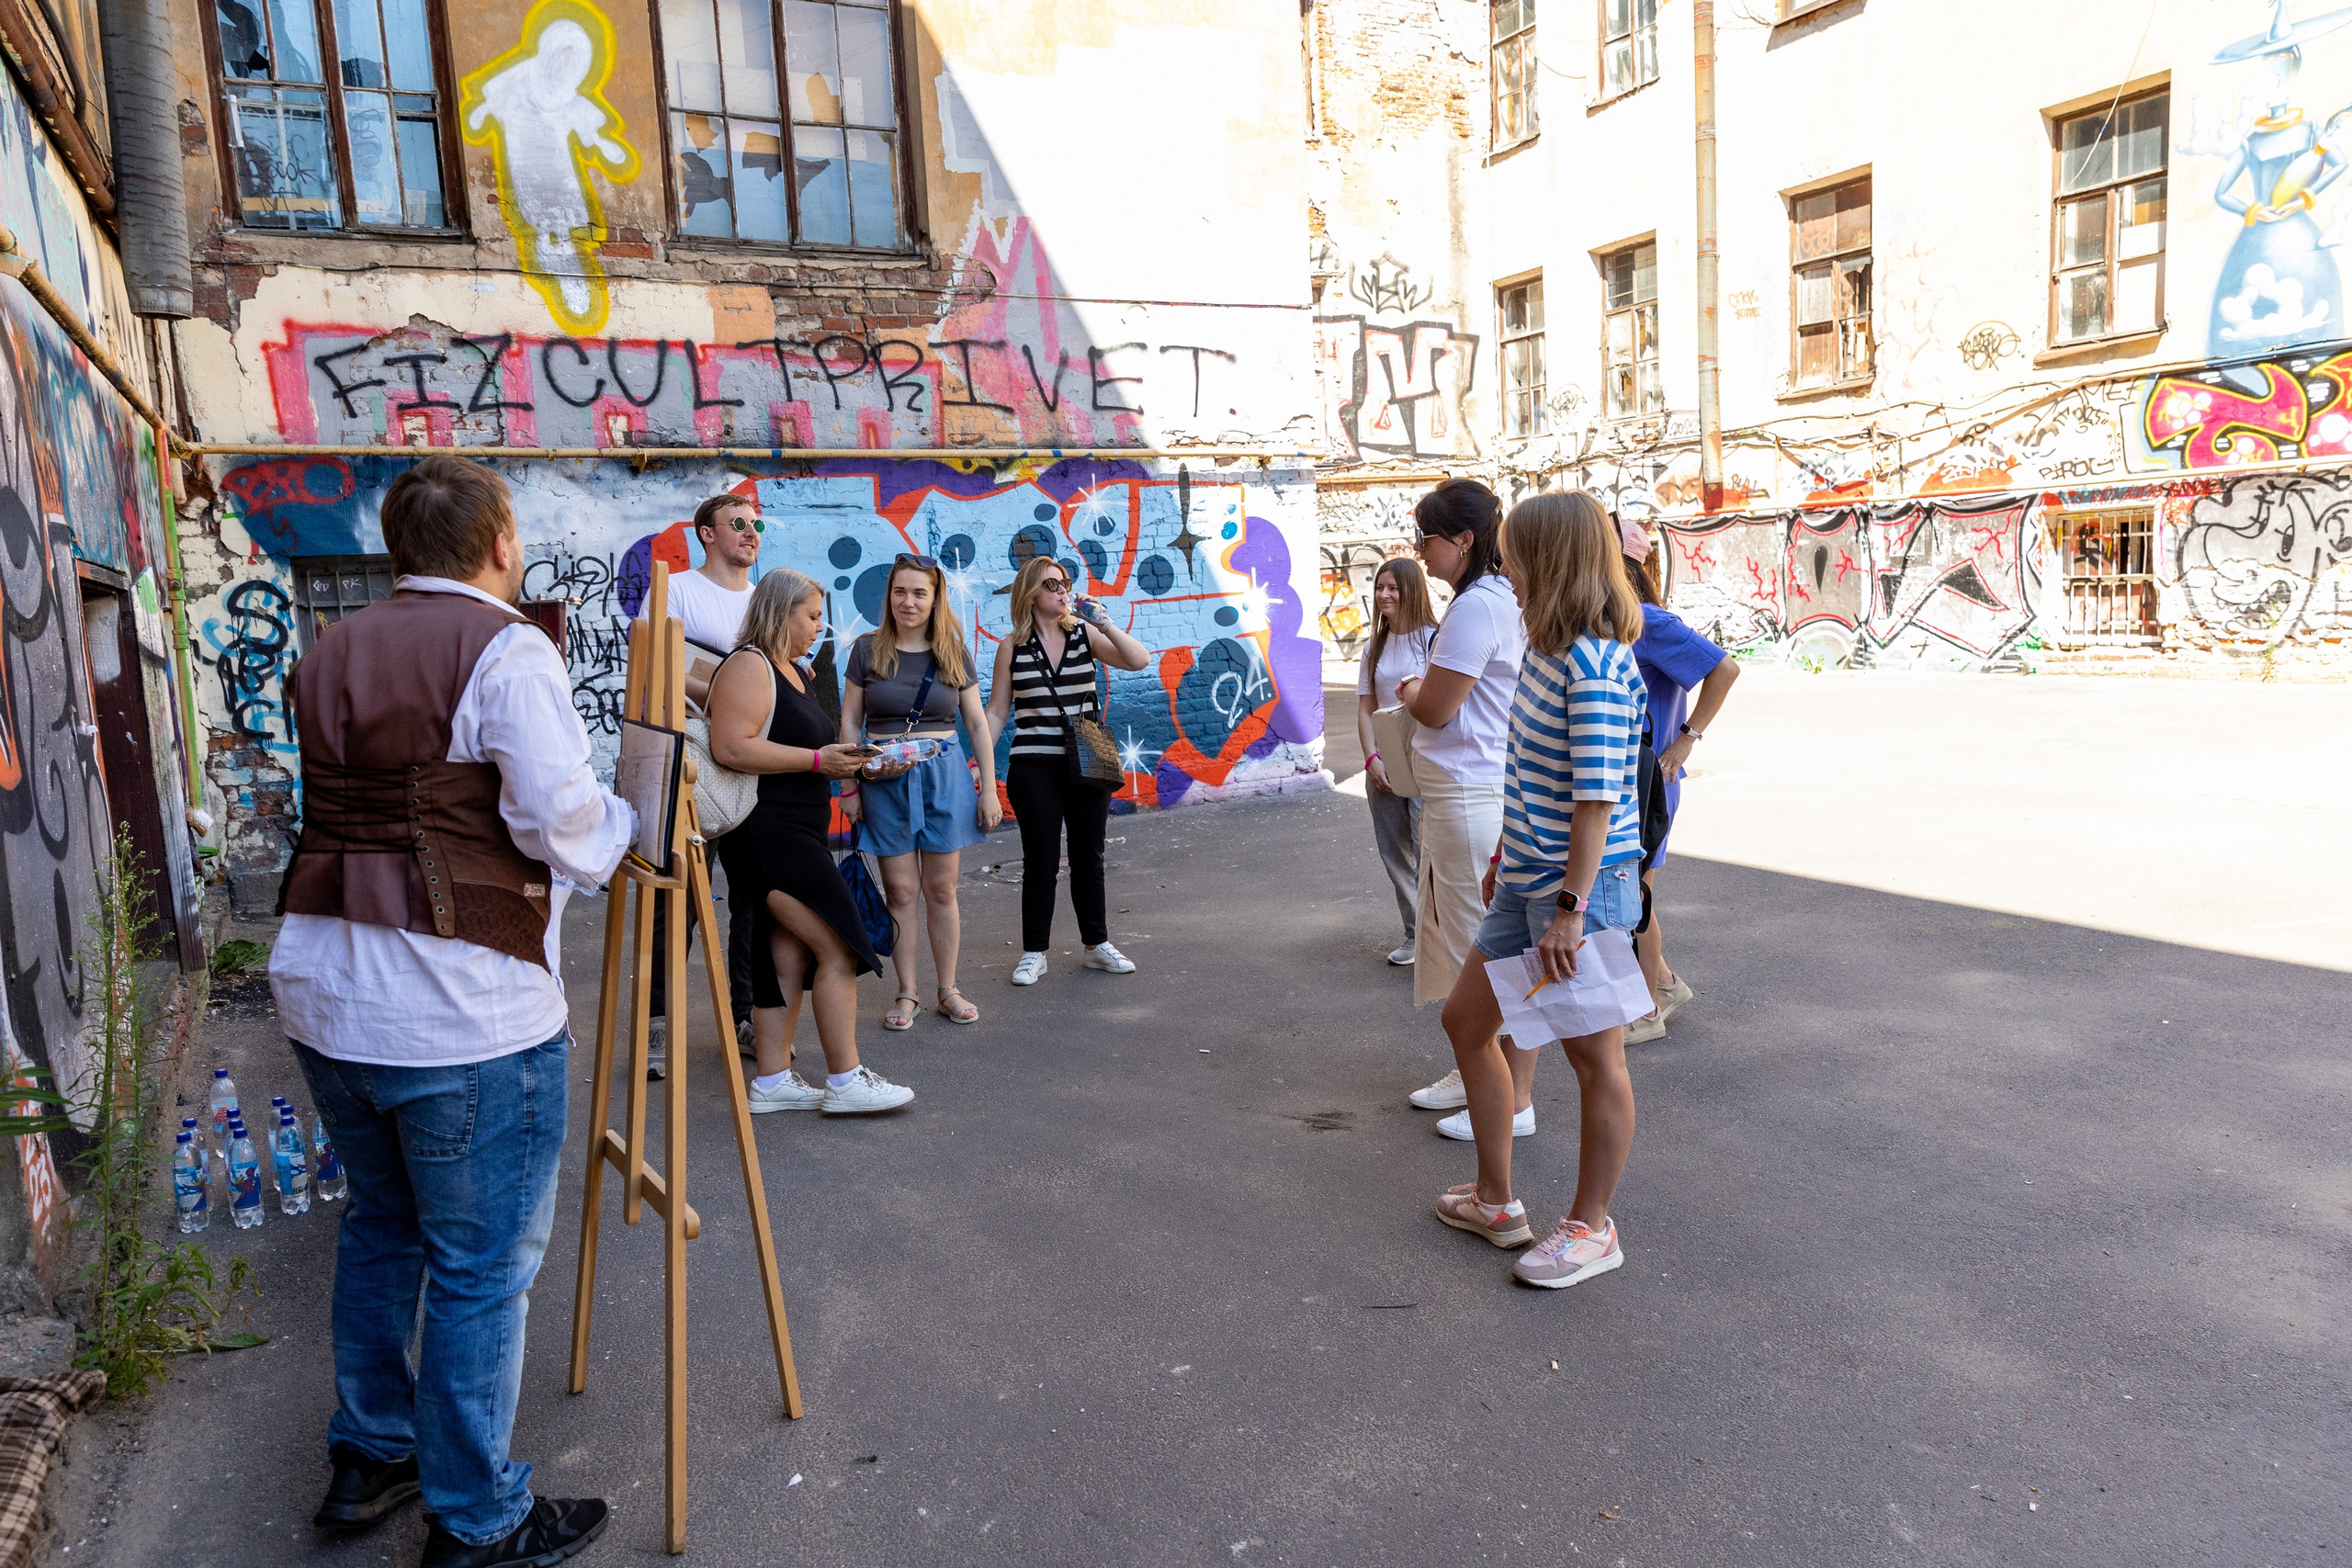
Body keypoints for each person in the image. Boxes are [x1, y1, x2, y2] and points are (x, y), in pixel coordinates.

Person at [271, 454, 625, 1566]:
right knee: (478, 1267)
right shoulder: (508, 648)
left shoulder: (329, 646)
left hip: (326, 989)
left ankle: (372, 1450)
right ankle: (475, 1519)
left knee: (381, 1226)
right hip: (460, 1009)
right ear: (501, 541)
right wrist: (630, 828)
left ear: (396, 549)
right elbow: (563, 823)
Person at [1430, 489, 1647, 1292]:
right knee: (1466, 1019)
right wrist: (1506, 856)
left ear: (1549, 559)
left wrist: (1568, 909)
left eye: (1515, 554)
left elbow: (1595, 798)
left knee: (1596, 1060)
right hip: (1528, 879)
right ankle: (1494, 1198)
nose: (1505, 567)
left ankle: (1593, 1228)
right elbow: (1540, 780)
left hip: (1573, 896)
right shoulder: (1551, 649)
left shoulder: (1590, 658)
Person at [707, 570, 916, 1115]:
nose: (820, 627)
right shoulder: (750, 664)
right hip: (769, 834)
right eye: (813, 616)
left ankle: (772, 1081)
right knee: (840, 945)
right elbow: (732, 746)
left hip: (794, 831)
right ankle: (845, 1079)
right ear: (781, 612)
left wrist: (845, 762)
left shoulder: (791, 671)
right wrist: (819, 760)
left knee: (790, 955)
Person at [1393, 479, 1525, 1118]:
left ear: (1464, 540)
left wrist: (1413, 686)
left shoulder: (1477, 607)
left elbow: (1440, 709)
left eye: (1427, 538)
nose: (1419, 551)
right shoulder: (1495, 598)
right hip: (1473, 790)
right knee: (1470, 944)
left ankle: (1507, 1099)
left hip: (1470, 793)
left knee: (1486, 952)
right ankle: (1479, 1074)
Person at [839, 552, 1003, 1029]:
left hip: (945, 775)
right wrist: (848, 782)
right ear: (889, 595)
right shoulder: (868, 650)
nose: (908, 602)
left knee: (941, 888)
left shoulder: (951, 650)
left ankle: (947, 989)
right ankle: (907, 991)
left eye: (919, 593)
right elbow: (851, 718)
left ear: (934, 599)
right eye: (900, 591)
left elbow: (975, 721)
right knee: (901, 890)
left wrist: (987, 789)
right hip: (885, 778)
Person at [637, 491, 763, 1078]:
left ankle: (746, 1015)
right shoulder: (678, 591)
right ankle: (659, 1026)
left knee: (756, 898)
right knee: (680, 898)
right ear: (706, 533)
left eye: (756, 524)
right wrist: (725, 693)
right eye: (738, 524)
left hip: (759, 764)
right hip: (697, 767)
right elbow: (654, 663)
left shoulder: (768, 599)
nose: (750, 532)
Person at [983, 556, 1151, 986]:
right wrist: (981, 765)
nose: (1062, 590)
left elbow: (1138, 661)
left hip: (1088, 757)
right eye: (1052, 584)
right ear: (1030, 594)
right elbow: (999, 710)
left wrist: (1105, 622)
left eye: (1065, 583)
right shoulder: (1012, 647)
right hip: (1032, 764)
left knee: (1088, 856)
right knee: (1040, 860)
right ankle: (1034, 952)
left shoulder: (1084, 634)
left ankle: (1096, 946)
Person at [1617, 514, 1740, 1043]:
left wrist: (1687, 736)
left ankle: (1647, 1010)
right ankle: (1662, 984)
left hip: (1649, 786)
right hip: (1631, 781)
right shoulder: (1623, 620)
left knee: (1636, 895)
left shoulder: (1646, 620)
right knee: (1631, 892)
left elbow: (1726, 669)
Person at [1355, 556, 1439, 967]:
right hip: (1383, 758)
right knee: (1395, 851)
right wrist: (1372, 759)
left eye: (1393, 587)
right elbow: (1365, 706)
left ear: (1412, 590)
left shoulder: (1434, 639)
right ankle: (1413, 933)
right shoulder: (1375, 645)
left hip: (1424, 757)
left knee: (1430, 850)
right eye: (1379, 588)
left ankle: (1437, 936)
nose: (1384, 595)